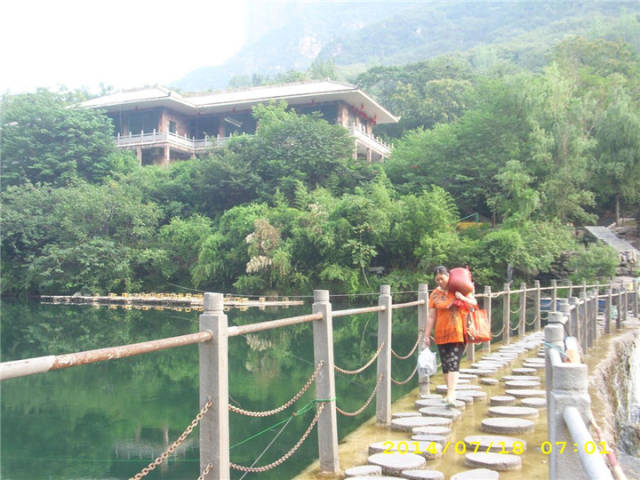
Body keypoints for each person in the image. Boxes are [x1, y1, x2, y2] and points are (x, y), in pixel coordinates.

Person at [424, 265, 477, 407]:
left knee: (454, 361)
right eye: (437, 280)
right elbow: (431, 316)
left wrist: (462, 298)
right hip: (441, 333)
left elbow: (474, 304)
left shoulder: (459, 289)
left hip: (458, 331)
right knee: (446, 364)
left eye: (442, 278)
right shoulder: (434, 294)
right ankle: (449, 392)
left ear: (449, 276)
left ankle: (451, 393)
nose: (440, 282)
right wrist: (427, 335)